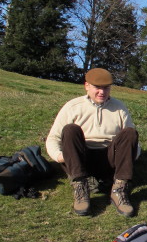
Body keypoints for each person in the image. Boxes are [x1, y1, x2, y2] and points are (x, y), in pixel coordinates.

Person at [46, 68, 139, 217]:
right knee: (70, 129)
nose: (102, 92)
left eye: (106, 88)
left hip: (109, 158)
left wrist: (128, 158)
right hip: (81, 158)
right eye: (97, 87)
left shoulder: (119, 108)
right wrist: (60, 157)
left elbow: (132, 142)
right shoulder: (73, 106)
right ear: (87, 86)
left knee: (130, 132)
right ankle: (80, 187)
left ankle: (119, 189)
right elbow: (53, 138)